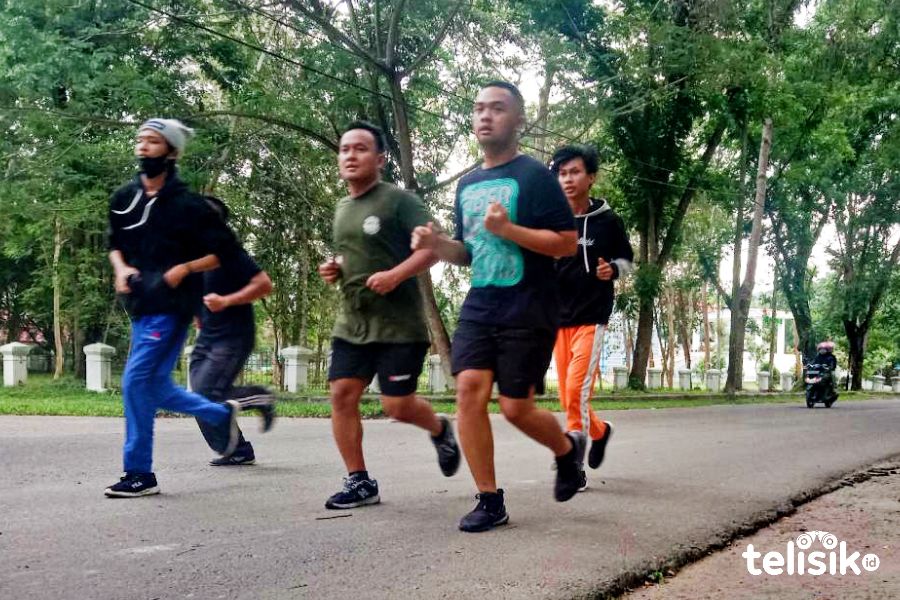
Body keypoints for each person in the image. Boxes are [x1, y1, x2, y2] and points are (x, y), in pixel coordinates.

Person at [411, 82, 585, 533]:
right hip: (482, 301)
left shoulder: (535, 177)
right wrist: (437, 246)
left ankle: (567, 451)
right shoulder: (468, 183)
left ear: (519, 120)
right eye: (479, 108)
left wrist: (511, 231)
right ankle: (489, 499)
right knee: (468, 388)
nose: (485, 116)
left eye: (498, 108)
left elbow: (566, 244)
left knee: (514, 408)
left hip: (530, 304)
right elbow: (469, 251)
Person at [105, 118, 273, 498]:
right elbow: (114, 242)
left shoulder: (188, 206)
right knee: (157, 387)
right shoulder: (124, 198)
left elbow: (226, 253)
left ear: (172, 151)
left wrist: (186, 268)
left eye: (153, 141)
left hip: (172, 307)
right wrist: (121, 268)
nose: (143, 147)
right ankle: (220, 414)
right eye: (140, 140)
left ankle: (138, 472)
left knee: (134, 382)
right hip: (141, 305)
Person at [317, 120, 460, 510]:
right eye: (345, 149)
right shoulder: (342, 207)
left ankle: (439, 427)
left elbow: (435, 248)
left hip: (399, 325)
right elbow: (352, 256)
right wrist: (334, 267)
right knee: (342, 395)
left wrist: (397, 275)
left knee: (396, 406)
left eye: (360, 149)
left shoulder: (399, 200)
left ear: (379, 158)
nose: (350, 155)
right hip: (353, 321)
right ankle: (359, 481)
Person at [549, 144, 633, 491]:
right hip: (557, 319)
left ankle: (573, 467)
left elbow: (627, 261)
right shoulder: (551, 218)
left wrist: (611, 269)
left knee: (575, 393)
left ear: (591, 177)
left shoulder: (608, 221)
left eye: (574, 172)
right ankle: (600, 432)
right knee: (567, 397)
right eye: (562, 172)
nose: (567, 179)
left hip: (591, 317)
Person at [190, 196, 276, 466]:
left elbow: (264, 284)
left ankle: (260, 396)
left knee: (207, 395)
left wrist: (227, 301)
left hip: (233, 336)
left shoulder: (230, 254)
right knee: (197, 398)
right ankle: (236, 449)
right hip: (208, 336)